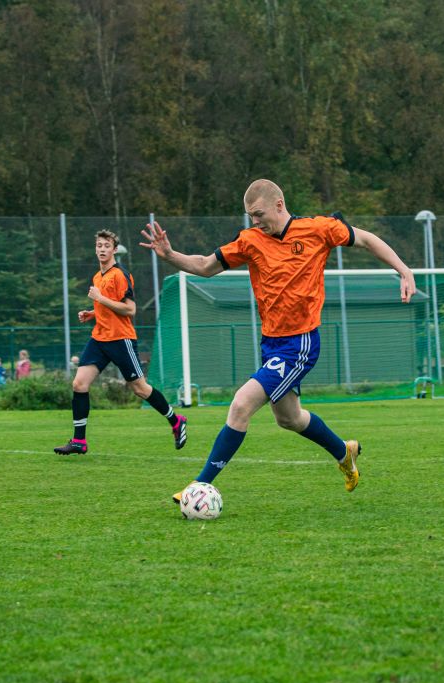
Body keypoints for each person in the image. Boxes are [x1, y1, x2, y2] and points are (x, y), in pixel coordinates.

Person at [140, 179, 416, 504]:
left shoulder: (318, 229)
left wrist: (403, 270)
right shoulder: (250, 241)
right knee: (288, 418)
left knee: (242, 404)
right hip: (271, 343)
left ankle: (198, 486)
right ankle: (344, 452)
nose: (254, 221)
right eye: (249, 216)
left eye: (258, 214)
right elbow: (204, 265)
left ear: (279, 204)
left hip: (299, 344)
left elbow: (367, 239)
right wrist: (169, 254)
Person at [54, 229, 187, 456]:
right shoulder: (98, 277)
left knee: (140, 389)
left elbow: (130, 309)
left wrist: (100, 299)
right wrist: (92, 313)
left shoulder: (120, 275)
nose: (102, 249)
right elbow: (107, 306)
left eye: (107, 246)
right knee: (79, 384)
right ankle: (79, 441)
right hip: (99, 338)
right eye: (99, 245)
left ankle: (176, 420)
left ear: (114, 250)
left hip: (120, 339)